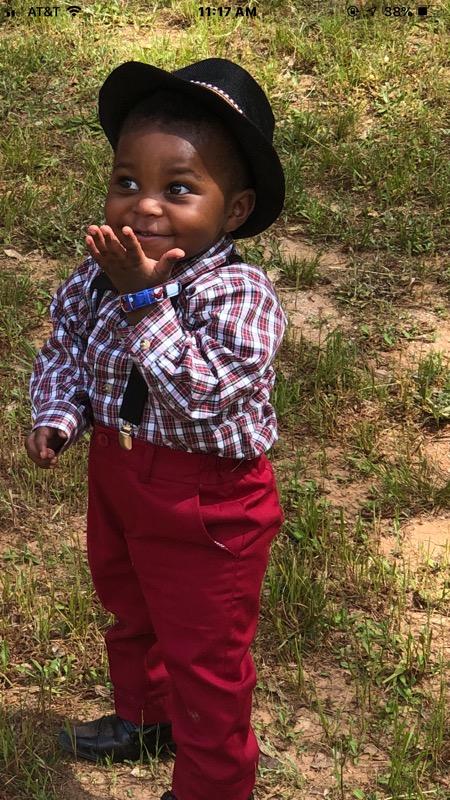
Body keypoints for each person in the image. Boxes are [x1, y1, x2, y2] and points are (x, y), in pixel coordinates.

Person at [26, 57, 287, 800]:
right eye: (126, 182)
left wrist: (145, 302)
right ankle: (145, 718)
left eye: (178, 188)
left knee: (206, 655)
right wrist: (58, 411)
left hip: (207, 502)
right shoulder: (100, 271)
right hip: (118, 469)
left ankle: (212, 784)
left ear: (232, 211)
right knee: (129, 603)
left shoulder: (239, 294)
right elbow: (67, 347)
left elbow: (202, 399)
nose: (143, 206)